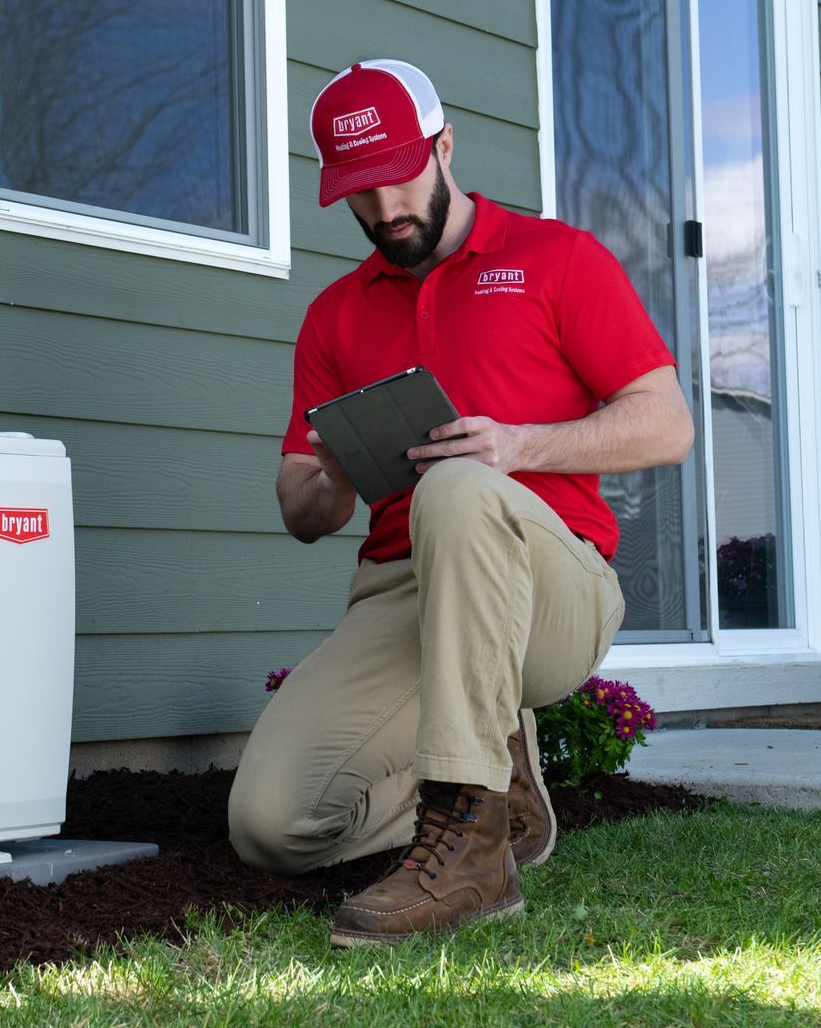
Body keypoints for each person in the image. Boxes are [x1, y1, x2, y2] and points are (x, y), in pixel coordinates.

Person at [226, 58, 693, 945]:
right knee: (271, 828)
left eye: (400, 177)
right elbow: (302, 512)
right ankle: (497, 780)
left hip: (548, 585)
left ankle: (471, 849)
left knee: (462, 484)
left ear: (445, 146)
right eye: (360, 192)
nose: (385, 209)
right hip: (402, 592)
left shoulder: (557, 259)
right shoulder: (334, 315)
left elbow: (667, 425)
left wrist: (521, 446)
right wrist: (336, 474)